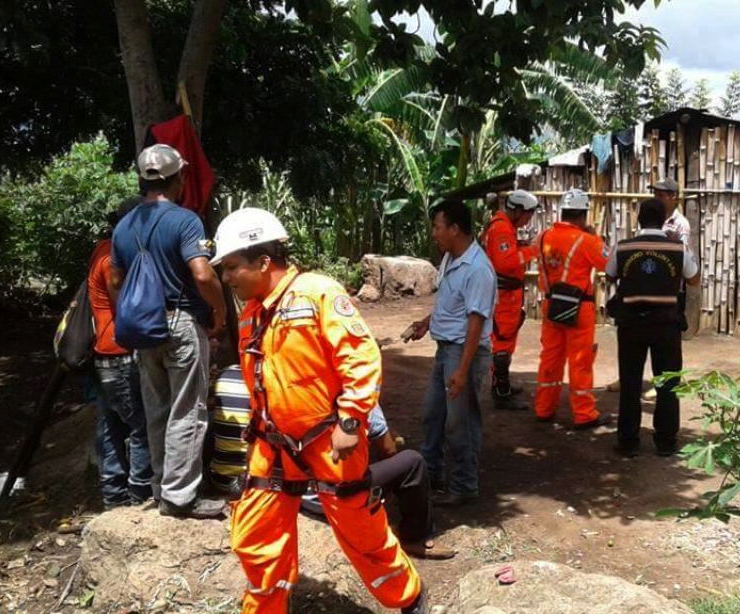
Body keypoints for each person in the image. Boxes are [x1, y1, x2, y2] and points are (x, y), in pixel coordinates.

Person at [214, 208, 425, 614]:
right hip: (272, 446)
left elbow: (360, 359)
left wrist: (350, 420)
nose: (226, 278)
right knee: (255, 536)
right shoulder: (251, 315)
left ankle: (409, 600)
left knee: (361, 532)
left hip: (331, 441)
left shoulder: (317, 294)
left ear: (262, 261)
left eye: (232, 267)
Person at [208, 364, 455, 560]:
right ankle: (415, 536)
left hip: (286, 490)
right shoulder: (352, 390)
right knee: (411, 462)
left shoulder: (274, 385)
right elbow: (388, 450)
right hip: (329, 496)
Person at [109, 144, 228, 519]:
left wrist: (127, 313)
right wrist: (219, 311)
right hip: (179, 322)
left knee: (157, 407)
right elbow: (202, 273)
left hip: (143, 330)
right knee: (187, 408)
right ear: (179, 177)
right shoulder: (186, 220)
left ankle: (162, 488)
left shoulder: (124, 226)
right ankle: (180, 497)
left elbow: (114, 278)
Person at [407, 200, 495, 508]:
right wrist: (426, 323)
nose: (434, 233)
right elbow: (451, 303)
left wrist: (462, 370)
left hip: (463, 353)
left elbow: (476, 321)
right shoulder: (451, 259)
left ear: (455, 229)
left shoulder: (478, 269)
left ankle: (464, 484)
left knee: (461, 422)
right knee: (433, 416)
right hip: (446, 350)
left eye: (437, 226)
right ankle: (432, 475)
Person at [606, 198, 700, 457]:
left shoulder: (623, 247)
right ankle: (666, 442)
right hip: (666, 325)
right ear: (663, 220)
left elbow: (610, 274)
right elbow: (693, 280)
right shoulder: (678, 248)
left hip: (631, 324)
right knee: (668, 383)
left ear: (638, 219)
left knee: (630, 382)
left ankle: (628, 442)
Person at [89, 198, 152, 508]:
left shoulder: (102, 249)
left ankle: (113, 495)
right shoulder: (111, 257)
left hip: (105, 351)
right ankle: (140, 493)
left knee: (110, 425)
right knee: (140, 424)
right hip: (120, 352)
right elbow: (126, 306)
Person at [535, 188, 613, 429]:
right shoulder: (586, 240)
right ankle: (584, 413)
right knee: (580, 360)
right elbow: (609, 263)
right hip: (579, 308)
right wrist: (596, 237)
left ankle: (544, 408)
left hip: (551, 305)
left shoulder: (543, 237)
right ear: (582, 215)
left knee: (550, 357)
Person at [607, 177, 691, 395]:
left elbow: (683, 259)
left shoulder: (681, 224)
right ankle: (629, 379)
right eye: (655, 194)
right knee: (637, 347)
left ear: (674, 197)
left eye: (661, 194)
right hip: (642, 283)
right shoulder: (651, 216)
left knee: (661, 346)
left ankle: (658, 382)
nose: (657, 198)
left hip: (666, 288)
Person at [481, 189, 540, 410]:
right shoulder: (501, 229)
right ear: (517, 211)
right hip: (504, 295)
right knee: (502, 342)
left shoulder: (504, 227)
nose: (529, 219)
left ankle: (501, 384)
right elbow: (506, 263)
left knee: (506, 339)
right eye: (528, 215)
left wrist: (523, 247)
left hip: (508, 294)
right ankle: (501, 392)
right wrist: (531, 251)